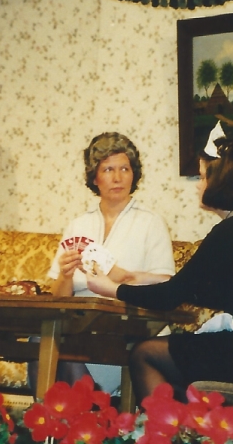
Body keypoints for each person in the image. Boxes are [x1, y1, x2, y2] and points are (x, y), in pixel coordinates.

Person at [86, 126, 233, 403]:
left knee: (144, 354)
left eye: (202, 177)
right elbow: (200, 289)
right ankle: (188, 424)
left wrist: (112, 289)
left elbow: (171, 297)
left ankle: (165, 429)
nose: (199, 186)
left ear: (220, 180)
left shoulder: (231, 230)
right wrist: (134, 277)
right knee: (176, 370)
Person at [46, 132, 175, 389]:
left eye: (124, 169)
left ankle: (85, 409)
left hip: (126, 329)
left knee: (64, 353)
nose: (117, 178)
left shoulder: (151, 223)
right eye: (108, 169)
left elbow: (165, 287)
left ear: (133, 174)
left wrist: (123, 278)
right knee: (40, 342)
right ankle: (67, 410)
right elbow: (57, 299)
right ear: (95, 177)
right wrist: (65, 275)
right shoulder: (78, 224)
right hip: (79, 327)